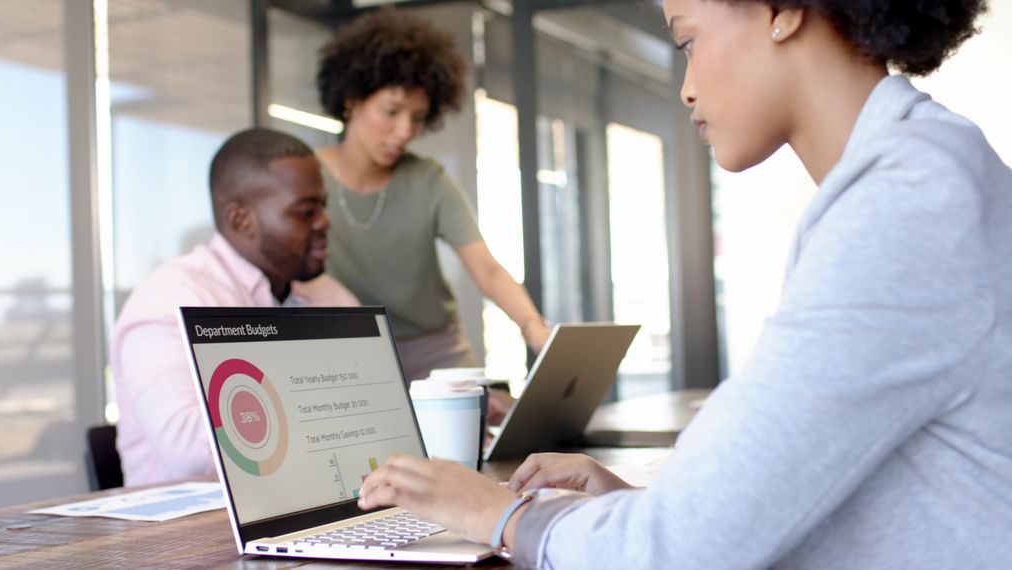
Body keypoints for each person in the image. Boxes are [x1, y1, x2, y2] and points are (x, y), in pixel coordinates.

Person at [356, 0, 1012, 567]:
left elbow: (678, 555)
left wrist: (496, 515)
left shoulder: (907, 202)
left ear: (783, 9)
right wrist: (647, 510)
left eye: (688, 42)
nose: (686, 88)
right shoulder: (922, 168)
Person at [310, 8, 551, 382]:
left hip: (435, 350)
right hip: (350, 351)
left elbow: (486, 269)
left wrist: (533, 327)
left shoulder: (428, 180)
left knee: (478, 430)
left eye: (417, 117)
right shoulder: (307, 178)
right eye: (391, 111)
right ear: (352, 99)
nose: (404, 130)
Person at [111, 128, 357, 486]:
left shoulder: (328, 294)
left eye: (323, 206)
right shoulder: (170, 301)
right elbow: (187, 451)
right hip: (187, 531)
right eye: (305, 212)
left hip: (305, 503)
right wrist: (326, 403)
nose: (324, 222)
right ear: (241, 220)